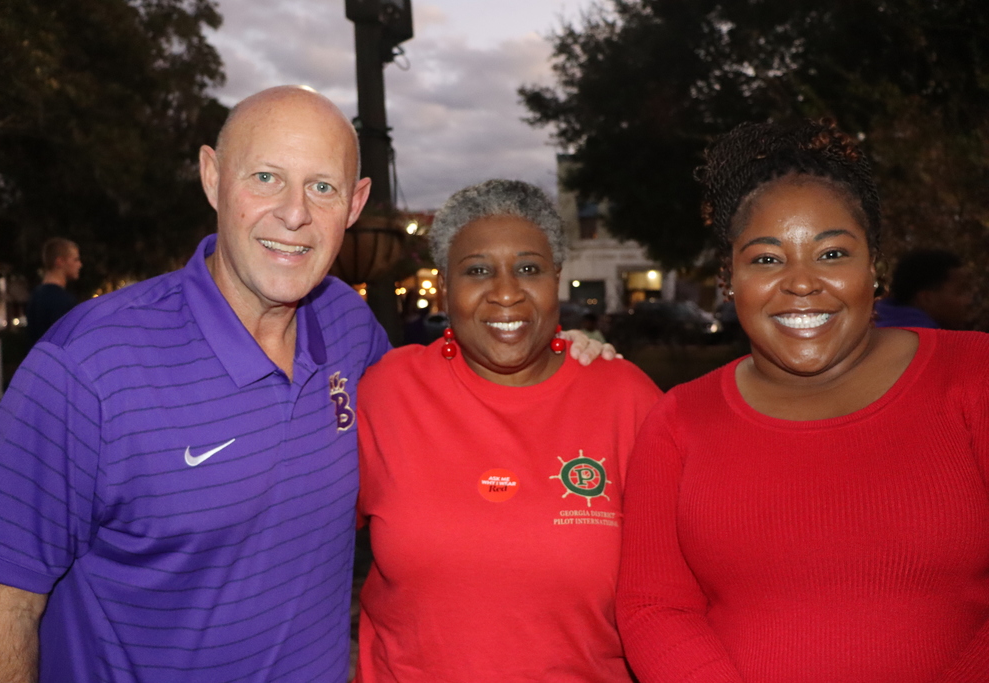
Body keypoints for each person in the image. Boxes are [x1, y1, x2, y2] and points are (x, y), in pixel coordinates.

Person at [0, 87, 612, 683]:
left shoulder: (348, 326)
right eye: (266, 177)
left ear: (354, 204)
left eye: (322, 187)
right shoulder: (90, 364)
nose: (294, 214)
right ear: (213, 177)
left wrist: (563, 354)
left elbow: (453, 393)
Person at [617, 120, 989, 683]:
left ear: (875, 267)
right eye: (766, 260)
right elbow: (654, 607)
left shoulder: (974, 376)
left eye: (832, 253)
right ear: (729, 279)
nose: (801, 282)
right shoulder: (677, 421)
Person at [355, 179, 662, 682]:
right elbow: (300, 542)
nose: (505, 292)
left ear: (556, 279)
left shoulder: (625, 398)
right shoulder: (387, 393)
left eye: (528, 269)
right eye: (477, 270)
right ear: (445, 284)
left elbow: (683, 587)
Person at [875, 248, 972, 329]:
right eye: (959, 292)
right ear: (927, 298)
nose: (968, 301)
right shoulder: (928, 344)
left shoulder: (875, 328)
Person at [26, 237, 82, 344]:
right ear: (60, 262)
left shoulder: (35, 296)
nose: (79, 265)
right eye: (75, 260)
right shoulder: (63, 301)